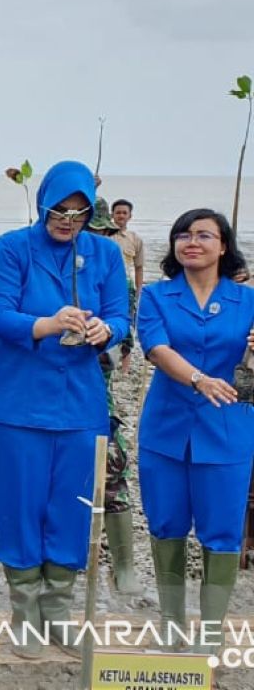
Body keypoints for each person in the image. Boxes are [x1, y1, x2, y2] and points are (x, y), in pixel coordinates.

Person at [0, 160, 129, 658]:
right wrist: (46, 323)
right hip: (16, 401)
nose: (68, 220)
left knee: (71, 503)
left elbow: (121, 316)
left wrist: (106, 331)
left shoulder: (105, 253)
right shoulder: (12, 248)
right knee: (20, 503)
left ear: (91, 213)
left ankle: (57, 609)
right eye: (59, 211)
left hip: (80, 403)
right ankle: (24, 610)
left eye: (79, 213)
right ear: (43, 204)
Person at [136, 209, 254, 652]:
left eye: (204, 235)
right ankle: (170, 621)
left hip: (228, 431)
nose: (192, 241)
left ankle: (210, 627)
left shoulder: (248, 301)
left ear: (223, 246)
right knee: (166, 523)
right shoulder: (156, 297)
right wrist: (199, 379)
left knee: (221, 529)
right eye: (183, 234)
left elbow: (250, 374)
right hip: (166, 430)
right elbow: (157, 349)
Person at [86, 198, 140, 595]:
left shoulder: (116, 281)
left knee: (113, 471)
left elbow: (126, 334)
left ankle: (124, 564)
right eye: (95, 231)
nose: (101, 239)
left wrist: (109, 338)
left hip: (97, 392)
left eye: (106, 233)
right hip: (52, 396)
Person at [110, 199, 144, 372]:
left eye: (124, 212)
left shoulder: (135, 239)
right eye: (118, 212)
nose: (121, 216)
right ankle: (108, 358)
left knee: (128, 323)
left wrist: (139, 291)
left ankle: (125, 366)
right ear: (112, 214)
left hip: (127, 286)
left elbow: (138, 268)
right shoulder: (105, 235)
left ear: (130, 216)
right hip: (108, 285)